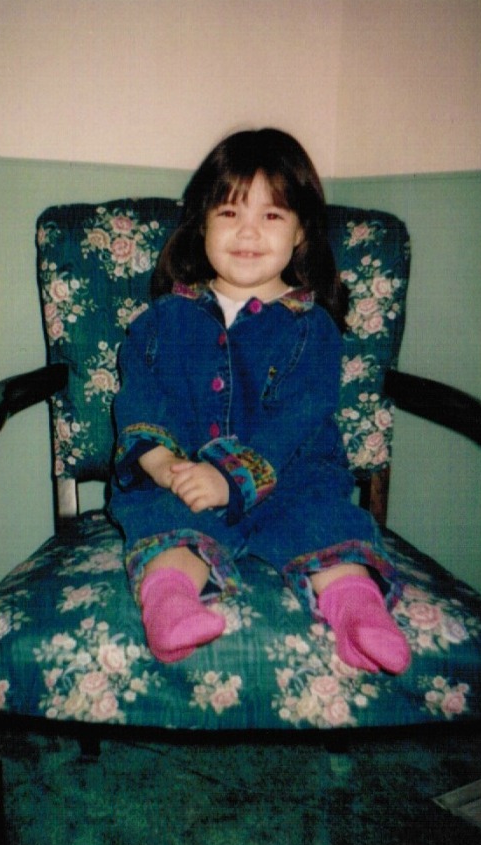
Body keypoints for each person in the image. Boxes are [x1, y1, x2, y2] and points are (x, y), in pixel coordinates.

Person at [108, 127, 410, 674]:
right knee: (165, 516)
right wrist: (161, 461)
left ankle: (359, 614)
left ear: (299, 233)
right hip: (190, 477)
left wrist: (235, 477)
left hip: (291, 481)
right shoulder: (164, 318)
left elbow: (301, 413)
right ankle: (171, 604)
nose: (248, 233)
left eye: (271, 216)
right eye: (229, 213)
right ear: (201, 224)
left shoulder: (311, 327)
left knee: (328, 520)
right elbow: (140, 392)